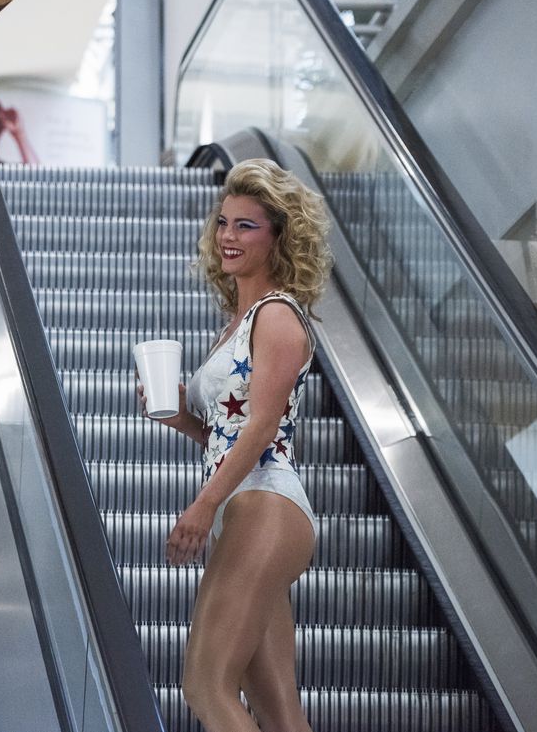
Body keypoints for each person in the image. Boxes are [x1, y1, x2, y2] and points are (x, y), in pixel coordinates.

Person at [138, 159, 332, 730]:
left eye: (246, 225)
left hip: (265, 503)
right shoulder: (237, 323)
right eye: (224, 223)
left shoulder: (277, 316)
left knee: (205, 685)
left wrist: (203, 506)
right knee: (279, 711)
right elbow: (227, 432)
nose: (228, 236)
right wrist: (182, 419)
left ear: (278, 236)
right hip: (247, 507)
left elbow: (263, 427)